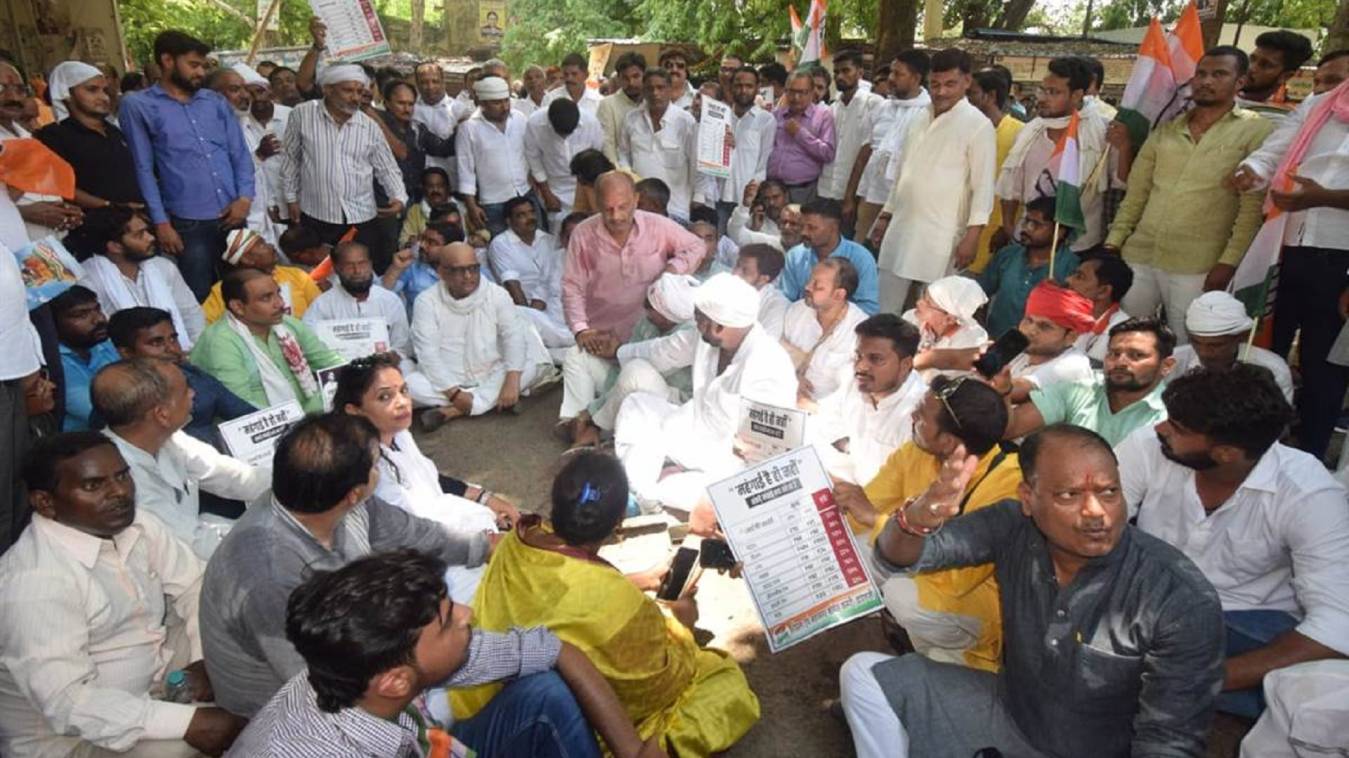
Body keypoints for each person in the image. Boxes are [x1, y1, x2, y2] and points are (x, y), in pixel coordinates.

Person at [840, 425, 1225, 758]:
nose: (1096, 512)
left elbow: (1169, 740)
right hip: (1008, 715)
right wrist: (918, 518)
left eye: (1109, 492)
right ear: (1028, 499)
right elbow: (899, 557)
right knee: (864, 675)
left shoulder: (1180, 598)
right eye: (1069, 496)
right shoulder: (1012, 526)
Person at [454, 451, 760, 753]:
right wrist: (683, 620)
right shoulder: (614, 600)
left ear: (557, 504)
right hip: (565, 715)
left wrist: (645, 579)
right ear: (619, 521)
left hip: (479, 699)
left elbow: (566, 595)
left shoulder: (518, 539)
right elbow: (655, 683)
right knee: (724, 682)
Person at [229, 549, 664, 758]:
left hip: (432, 747)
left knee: (545, 692)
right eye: (447, 620)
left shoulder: (369, 667)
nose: (468, 613)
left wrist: (632, 751)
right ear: (397, 681)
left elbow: (552, 649)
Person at [200, 413, 492, 718]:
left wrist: (485, 547)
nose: (380, 471)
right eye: (376, 465)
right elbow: (314, 682)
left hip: (354, 650)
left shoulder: (334, 501)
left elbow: (415, 533)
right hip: (297, 709)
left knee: (473, 586)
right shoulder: (268, 574)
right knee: (460, 675)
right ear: (353, 493)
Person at [1117, 364, 1349, 718]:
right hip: (1148, 612)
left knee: (1308, 693)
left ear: (1225, 453)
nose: (1161, 429)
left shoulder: (1309, 495)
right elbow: (1089, 529)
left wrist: (1208, 677)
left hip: (1245, 626)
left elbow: (1337, 623)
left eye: (1177, 427)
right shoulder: (1150, 445)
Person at [0, 432, 247, 758]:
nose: (119, 493)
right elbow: (68, 703)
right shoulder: (35, 584)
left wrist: (203, 657)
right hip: (75, 739)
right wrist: (189, 722)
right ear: (45, 503)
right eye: (93, 485)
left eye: (122, 476)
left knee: (250, 640)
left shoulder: (137, 526)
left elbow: (197, 586)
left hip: (153, 677)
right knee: (194, 745)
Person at [835, 378, 1017, 674]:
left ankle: (964, 661)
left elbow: (954, 580)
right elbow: (867, 505)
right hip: (921, 574)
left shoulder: (1009, 482)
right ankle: (918, 653)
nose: (912, 418)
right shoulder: (917, 451)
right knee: (854, 549)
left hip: (971, 602)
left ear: (948, 442)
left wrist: (880, 522)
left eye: (920, 416)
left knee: (901, 594)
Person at [1104, 47, 1274, 342]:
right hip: (1140, 254)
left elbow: (1251, 208)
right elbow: (1137, 193)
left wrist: (1228, 262)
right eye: (1201, 73)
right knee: (1125, 336)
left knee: (1189, 342)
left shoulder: (1255, 131)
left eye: (1219, 74)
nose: (1206, 81)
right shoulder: (1167, 130)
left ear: (1240, 82)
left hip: (1199, 263)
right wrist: (1114, 242)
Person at [1231, 67, 1349, 460]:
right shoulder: (1320, 104)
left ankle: (1310, 455)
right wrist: (1254, 169)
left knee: (1324, 365)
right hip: (1284, 244)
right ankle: (1256, 445)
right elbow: (1279, 146)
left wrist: (1327, 199)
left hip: (1340, 259)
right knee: (1265, 349)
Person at [615, 273, 797, 512]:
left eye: (699, 318)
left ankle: (654, 487)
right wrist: (618, 351)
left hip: (729, 463)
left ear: (719, 324)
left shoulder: (769, 366)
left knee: (723, 498)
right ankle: (645, 492)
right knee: (637, 407)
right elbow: (663, 351)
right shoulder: (706, 338)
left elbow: (769, 453)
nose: (695, 323)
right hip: (692, 429)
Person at [118, 31, 255, 301]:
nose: (200, 72)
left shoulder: (214, 102)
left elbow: (239, 153)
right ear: (167, 61)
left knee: (245, 290)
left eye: (203, 66)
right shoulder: (139, 105)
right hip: (187, 221)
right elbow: (143, 169)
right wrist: (161, 223)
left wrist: (245, 198)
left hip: (234, 213)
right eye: (193, 65)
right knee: (199, 295)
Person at [92, 358, 267, 555]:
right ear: (162, 415)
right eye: (186, 390)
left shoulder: (169, 439)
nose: (193, 394)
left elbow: (232, 476)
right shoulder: (120, 480)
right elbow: (193, 545)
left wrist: (295, 483)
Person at [872, 49, 996, 313]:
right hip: (902, 225)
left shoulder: (978, 125)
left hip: (943, 234)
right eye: (935, 85)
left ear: (967, 82)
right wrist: (885, 215)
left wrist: (972, 237)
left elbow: (983, 187)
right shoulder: (919, 117)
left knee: (936, 310)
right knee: (885, 305)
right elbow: (903, 173)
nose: (941, 92)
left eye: (950, 84)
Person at [411, 242, 553, 428]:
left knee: (529, 366)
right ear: (442, 272)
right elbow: (427, 354)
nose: (468, 276)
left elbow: (513, 338)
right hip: (448, 382)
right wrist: (454, 393)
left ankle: (455, 411)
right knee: (410, 386)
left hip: (492, 373)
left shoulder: (497, 295)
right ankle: (492, 401)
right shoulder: (426, 301)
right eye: (459, 270)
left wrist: (511, 380)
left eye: (473, 269)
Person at [562, 171, 702, 352]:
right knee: (575, 361)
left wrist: (671, 272)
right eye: (608, 209)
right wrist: (581, 329)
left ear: (636, 199)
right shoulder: (583, 234)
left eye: (623, 207)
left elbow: (696, 246)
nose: (616, 216)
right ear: (597, 205)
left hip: (649, 335)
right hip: (601, 335)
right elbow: (572, 285)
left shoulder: (657, 225)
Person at [281, 64, 406, 255]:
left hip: (361, 215)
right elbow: (291, 158)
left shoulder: (369, 126)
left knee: (357, 269)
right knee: (321, 273)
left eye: (359, 91)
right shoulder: (302, 114)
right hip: (317, 213)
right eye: (348, 90)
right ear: (328, 89)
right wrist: (291, 198)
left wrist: (397, 196)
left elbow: (387, 168)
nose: (355, 97)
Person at [191, 268, 344, 414]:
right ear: (238, 307)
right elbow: (240, 406)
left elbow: (329, 361)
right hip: (260, 430)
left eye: (278, 294)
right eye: (266, 298)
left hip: (308, 419)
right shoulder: (221, 342)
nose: (280, 304)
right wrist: (308, 412)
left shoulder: (288, 325)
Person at [996, 57, 1111, 251]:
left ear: (1076, 95)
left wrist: (1124, 148)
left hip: (1079, 246)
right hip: (1029, 242)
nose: (1042, 98)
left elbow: (1119, 183)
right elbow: (1011, 187)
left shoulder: (1103, 132)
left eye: (1053, 92)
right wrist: (1009, 227)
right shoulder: (1030, 132)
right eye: (1042, 89)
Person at [1004, 317, 1175, 445]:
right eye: (1114, 354)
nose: (1121, 362)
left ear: (1166, 365)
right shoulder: (1079, 389)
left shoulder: (1170, 417)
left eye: (1136, 355)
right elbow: (1009, 428)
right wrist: (1001, 389)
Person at [108, 307, 256, 449]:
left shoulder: (193, 375)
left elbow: (246, 415)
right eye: (156, 343)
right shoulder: (118, 396)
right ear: (126, 353)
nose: (172, 349)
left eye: (173, 339)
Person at [811, 314, 925, 486]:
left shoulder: (919, 413)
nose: (861, 366)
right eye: (858, 356)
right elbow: (821, 428)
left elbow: (910, 491)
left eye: (876, 359)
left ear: (906, 364)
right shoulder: (855, 383)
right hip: (852, 487)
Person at [34, 62, 145, 234]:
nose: (104, 97)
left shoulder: (113, 131)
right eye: (92, 90)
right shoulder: (54, 136)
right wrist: (111, 206)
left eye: (104, 90)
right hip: (96, 230)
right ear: (67, 94)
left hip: (138, 223)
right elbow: (61, 187)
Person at [75, 208, 204, 351]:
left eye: (147, 231)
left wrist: (196, 353)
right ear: (115, 247)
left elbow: (190, 314)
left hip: (180, 355)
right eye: (139, 235)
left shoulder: (163, 267)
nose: (151, 238)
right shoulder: (87, 279)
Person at [848, 50, 931, 244]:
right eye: (891, 73)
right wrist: (850, 196)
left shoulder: (928, 112)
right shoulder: (882, 107)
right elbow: (865, 152)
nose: (891, 79)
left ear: (916, 77)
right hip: (871, 194)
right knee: (861, 249)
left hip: (904, 204)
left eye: (898, 74)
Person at [976, 196, 1079, 338]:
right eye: (1026, 222)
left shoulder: (1073, 268)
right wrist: (981, 332)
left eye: (1036, 224)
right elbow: (979, 295)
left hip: (1038, 350)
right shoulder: (1008, 255)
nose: (1026, 229)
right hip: (994, 341)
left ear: (1059, 232)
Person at [1170, 291, 1293, 401]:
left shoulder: (1274, 369)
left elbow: (1276, 422)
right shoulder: (1174, 362)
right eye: (1196, 342)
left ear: (1242, 337)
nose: (1204, 353)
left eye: (1216, 345)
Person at [302, 240, 414, 359]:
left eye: (362, 263)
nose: (357, 271)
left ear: (370, 265)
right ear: (336, 269)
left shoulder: (390, 300)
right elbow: (309, 345)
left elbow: (402, 346)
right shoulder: (322, 305)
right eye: (349, 266)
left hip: (385, 367)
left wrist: (389, 358)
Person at [616, 67, 699, 223]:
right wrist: (629, 176)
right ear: (644, 91)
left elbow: (695, 163)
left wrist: (698, 197)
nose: (655, 94)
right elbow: (623, 154)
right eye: (650, 88)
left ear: (669, 89)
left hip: (675, 209)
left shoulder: (685, 121)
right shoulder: (631, 119)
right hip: (639, 208)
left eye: (660, 88)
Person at [488, 196, 571, 348]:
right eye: (521, 215)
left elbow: (550, 281)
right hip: (525, 307)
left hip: (553, 304)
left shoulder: (549, 240)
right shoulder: (500, 244)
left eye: (531, 212)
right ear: (509, 221)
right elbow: (513, 285)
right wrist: (529, 321)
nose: (530, 218)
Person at [456, 76, 536, 236]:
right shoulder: (468, 129)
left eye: (506, 100)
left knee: (533, 243)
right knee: (501, 248)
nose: (504, 106)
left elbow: (531, 152)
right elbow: (465, 171)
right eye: (497, 102)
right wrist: (472, 207)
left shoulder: (519, 119)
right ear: (483, 104)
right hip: (493, 203)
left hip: (525, 194)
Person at [782, 257, 868, 405]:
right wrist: (790, 378)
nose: (807, 287)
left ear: (839, 295)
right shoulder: (797, 311)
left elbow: (855, 389)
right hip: (785, 394)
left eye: (817, 286)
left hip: (828, 413)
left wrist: (812, 406)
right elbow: (776, 356)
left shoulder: (861, 331)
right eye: (810, 280)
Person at [967, 67, 1025, 272]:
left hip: (995, 230)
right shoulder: (965, 128)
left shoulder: (1019, 133)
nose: (966, 100)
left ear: (990, 96)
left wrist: (1005, 225)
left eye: (971, 93)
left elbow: (1017, 185)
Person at [818, 50, 882, 233]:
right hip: (825, 190)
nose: (840, 76)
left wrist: (849, 197)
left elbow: (867, 151)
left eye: (846, 71)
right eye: (836, 72)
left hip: (852, 195)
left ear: (860, 73)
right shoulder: (832, 108)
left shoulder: (874, 104)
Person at [999, 282, 1096, 403]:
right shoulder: (1023, 350)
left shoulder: (1073, 365)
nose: (1031, 330)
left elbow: (1017, 391)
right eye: (1029, 320)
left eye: (1045, 326)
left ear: (1071, 337)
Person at [778, 198, 879, 314]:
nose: (803, 233)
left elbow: (868, 308)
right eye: (802, 226)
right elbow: (785, 300)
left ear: (833, 228)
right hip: (799, 323)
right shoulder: (795, 256)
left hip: (846, 327)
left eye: (811, 228)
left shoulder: (861, 258)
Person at [201, 228, 322, 322]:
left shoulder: (296, 275)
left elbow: (321, 312)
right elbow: (205, 328)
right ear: (247, 259)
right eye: (262, 245)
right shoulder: (222, 291)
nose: (271, 246)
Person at [709, 66, 776, 232]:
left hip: (746, 201)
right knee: (721, 247)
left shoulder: (766, 120)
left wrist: (752, 198)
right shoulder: (719, 117)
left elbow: (763, 163)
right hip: (719, 196)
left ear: (757, 88)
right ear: (731, 87)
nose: (743, 90)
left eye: (749, 86)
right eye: (738, 85)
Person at [233, 63, 292, 245]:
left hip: (297, 203)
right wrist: (270, 205)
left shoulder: (292, 116)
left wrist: (293, 200)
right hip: (267, 210)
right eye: (250, 94)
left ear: (270, 92)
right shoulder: (240, 124)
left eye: (260, 91)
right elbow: (248, 171)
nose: (256, 98)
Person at [526, 97, 604, 228]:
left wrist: (590, 193)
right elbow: (533, 159)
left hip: (584, 186)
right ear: (550, 122)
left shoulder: (591, 122)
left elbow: (596, 158)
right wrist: (547, 194)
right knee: (559, 233)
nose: (564, 138)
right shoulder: (535, 123)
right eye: (560, 134)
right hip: (553, 188)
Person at [52, 286, 120, 432]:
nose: (99, 319)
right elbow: (108, 415)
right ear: (53, 322)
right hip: (80, 448)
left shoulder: (105, 345)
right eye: (81, 315)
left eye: (97, 309)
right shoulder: (53, 363)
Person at [766, 70, 836, 203]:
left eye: (802, 92)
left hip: (801, 191)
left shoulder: (823, 115)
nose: (796, 97)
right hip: (772, 189)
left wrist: (800, 134)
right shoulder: (776, 115)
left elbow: (828, 153)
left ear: (811, 92)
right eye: (791, 91)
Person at [903, 276, 988, 382]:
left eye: (928, 303)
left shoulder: (972, 342)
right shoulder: (911, 318)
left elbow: (940, 382)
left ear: (949, 319)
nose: (919, 302)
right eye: (923, 296)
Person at [1065, 249, 1134, 364]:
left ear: (1103, 291)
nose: (1068, 280)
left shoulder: (1124, 334)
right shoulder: (1062, 315)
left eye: (1080, 277)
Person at [1239, 30, 1315, 118]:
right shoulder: (1224, 100)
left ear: (1285, 76)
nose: (1251, 68)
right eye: (1252, 59)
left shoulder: (1277, 121)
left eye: (1265, 65)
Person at [596, 52, 646, 164]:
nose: (631, 83)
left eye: (636, 76)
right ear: (618, 78)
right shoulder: (608, 105)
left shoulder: (651, 103)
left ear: (644, 75)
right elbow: (607, 145)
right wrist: (619, 174)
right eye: (625, 78)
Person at [732, 242, 789, 338]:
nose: (735, 273)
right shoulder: (725, 289)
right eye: (737, 266)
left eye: (745, 271)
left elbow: (766, 343)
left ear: (763, 279)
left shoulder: (777, 305)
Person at [398, 166, 459, 246]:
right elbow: (403, 241)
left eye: (440, 186)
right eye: (430, 186)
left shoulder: (462, 209)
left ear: (448, 188)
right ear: (423, 189)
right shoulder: (415, 211)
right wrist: (414, 242)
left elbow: (479, 234)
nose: (435, 190)